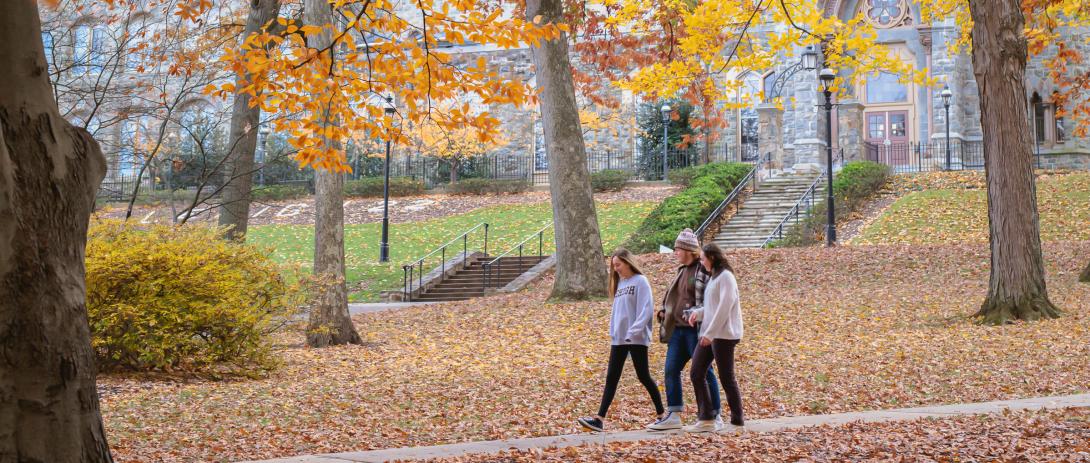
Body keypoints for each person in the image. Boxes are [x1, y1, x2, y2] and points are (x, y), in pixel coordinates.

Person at [577, 248, 665, 432]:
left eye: (618, 264)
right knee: (611, 377)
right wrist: (614, 332)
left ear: (627, 262)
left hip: (636, 338)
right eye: (613, 265)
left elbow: (646, 309)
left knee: (643, 376)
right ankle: (599, 419)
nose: (615, 268)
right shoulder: (621, 284)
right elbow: (617, 312)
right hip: (619, 339)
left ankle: (661, 415)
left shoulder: (641, 281)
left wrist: (635, 331)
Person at [647, 228, 721, 431]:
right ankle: (674, 414)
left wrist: (704, 323)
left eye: (678, 249)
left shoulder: (702, 270)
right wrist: (665, 312)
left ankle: (715, 414)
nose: (675, 252)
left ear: (688, 250)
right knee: (671, 370)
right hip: (678, 331)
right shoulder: (681, 271)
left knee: (705, 372)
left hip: (695, 331)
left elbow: (711, 300)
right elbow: (674, 299)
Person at [683, 243, 744, 433]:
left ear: (713, 258)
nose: (701, 263)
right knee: (696, 372)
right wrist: (698, 314)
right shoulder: (715, 277)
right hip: (712, 333)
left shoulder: (726, 277)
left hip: (723, 335)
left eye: (702, 259)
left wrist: (709, 333)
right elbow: (712, 307)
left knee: (727, 377)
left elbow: (725, 307)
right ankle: (707, 418)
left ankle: (737, 422)